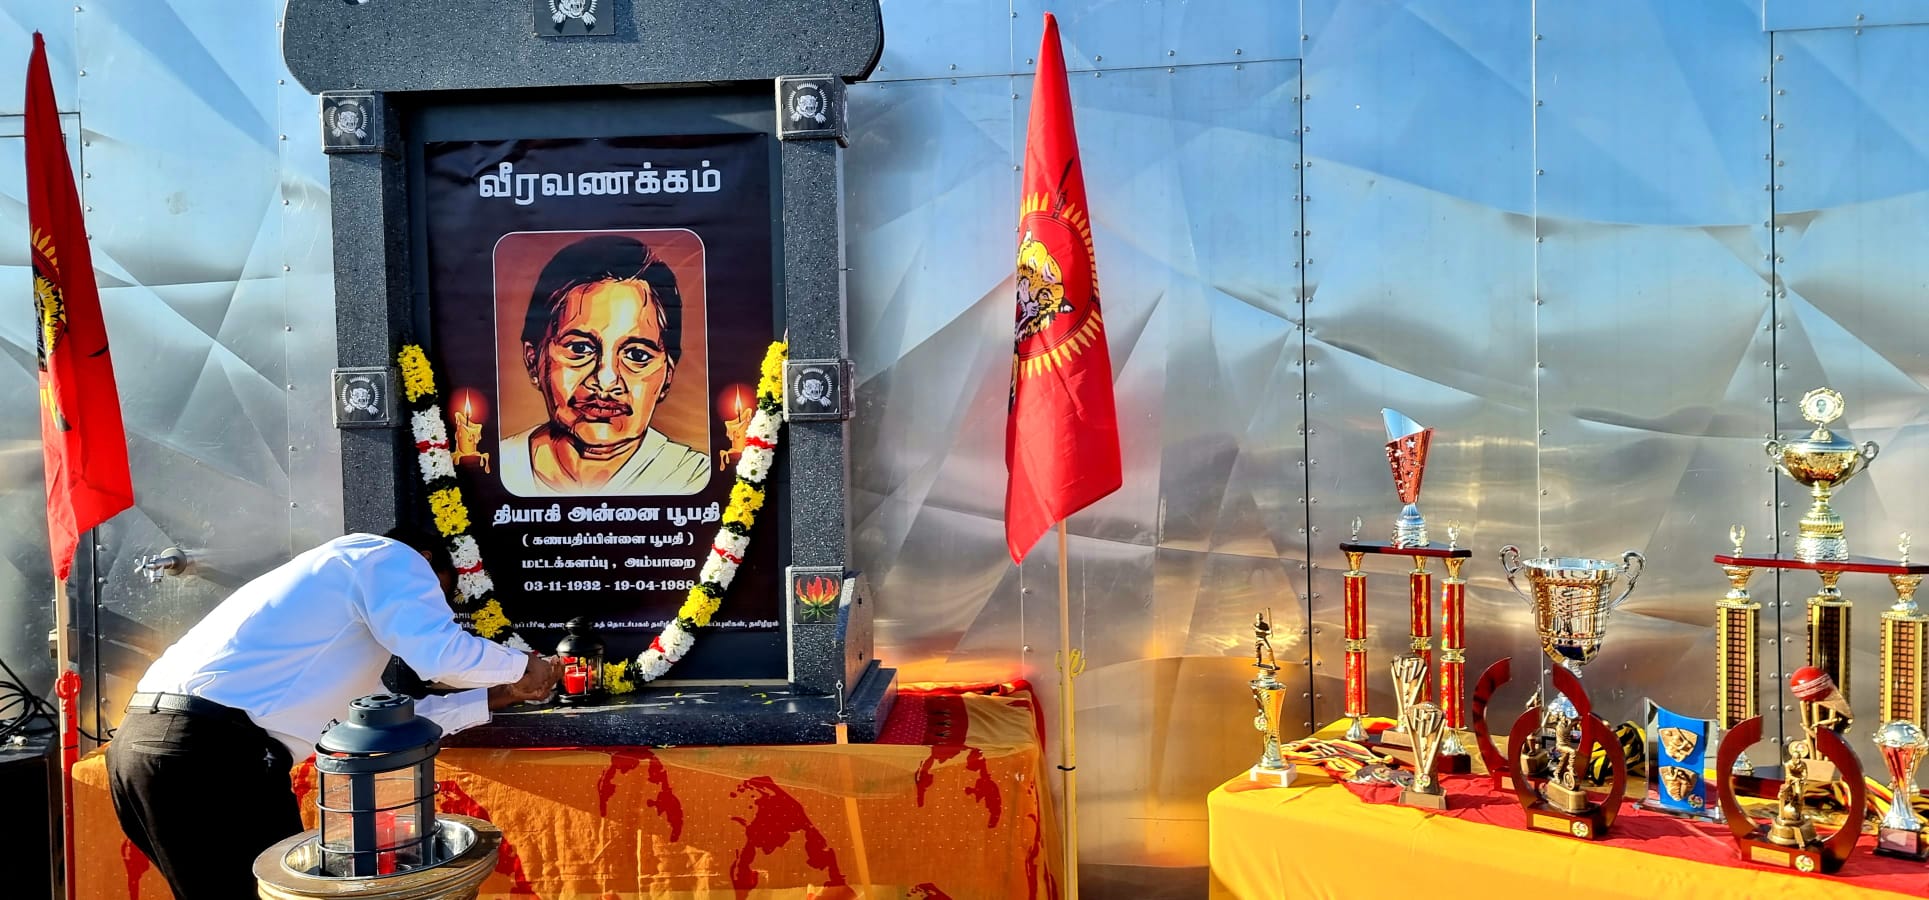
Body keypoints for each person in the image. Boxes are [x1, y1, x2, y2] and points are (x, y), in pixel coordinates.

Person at [106, 527, 558, 900]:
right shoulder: (388, 557)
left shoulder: (329, 617)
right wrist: (525, 665)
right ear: (424, 560)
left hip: (144, 747)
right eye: (437, 597)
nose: (434, 610)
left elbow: (384, 720)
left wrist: (495, 696)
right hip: (209, 755)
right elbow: (441, 656)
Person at [498, 234, 709, 497]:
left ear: (667, 376)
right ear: (533, 361)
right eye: (580, 349)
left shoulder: (694, 480)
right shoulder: (496, 470)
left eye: (637, 355)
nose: (606, 381)